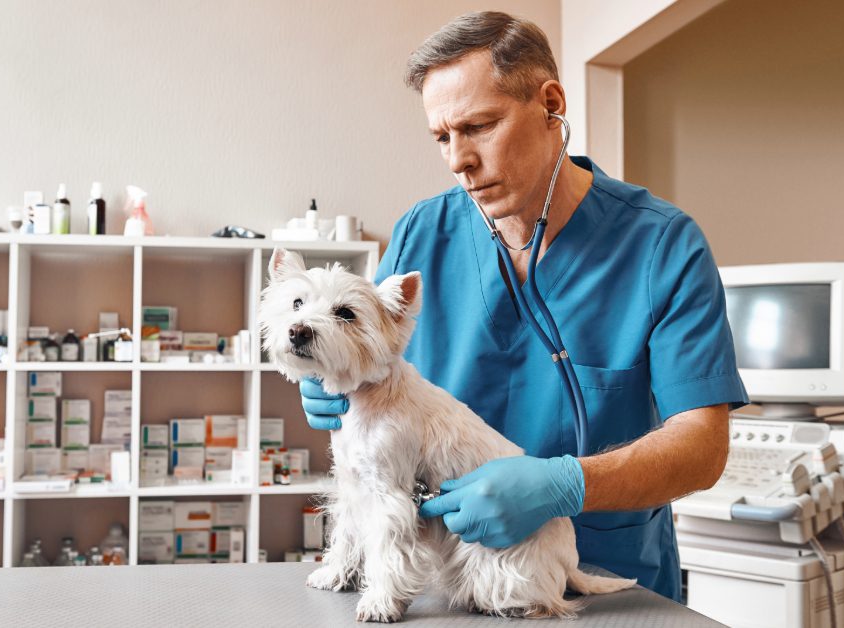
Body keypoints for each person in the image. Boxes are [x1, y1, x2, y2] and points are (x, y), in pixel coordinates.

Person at [298, 11, 748, 601]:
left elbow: (702, 448)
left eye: (479, 126)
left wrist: (565, 485)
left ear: (551, 104)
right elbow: (371, 361)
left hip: (607, 580)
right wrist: (332, 376)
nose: (458, 160)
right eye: (442, 137)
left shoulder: (662, 245)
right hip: (447, 579)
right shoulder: (419, 234)